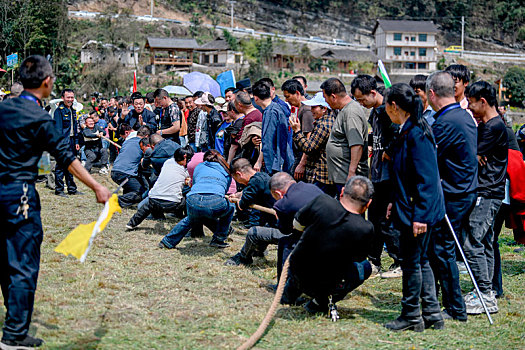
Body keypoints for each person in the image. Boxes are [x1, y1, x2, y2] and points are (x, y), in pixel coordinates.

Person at [0, 55, 111, 349]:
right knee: (23, 262)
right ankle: (13, 336)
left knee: (5, 259)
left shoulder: (3, 108)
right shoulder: (40, 118)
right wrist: (98, 186)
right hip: (19, 194)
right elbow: (68, 158)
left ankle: (15, 322)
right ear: (47, 83)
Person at [384, 83, 445, 332]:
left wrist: (420, 216)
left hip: (417, 213)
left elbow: (426, 179)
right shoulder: (408, 130)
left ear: (394, 106)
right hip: (410, 208)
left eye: (387, 107)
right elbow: (405, 176)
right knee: (422, 261)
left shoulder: (417, 134)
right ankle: (431, 313)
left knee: (412, 263)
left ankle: (411, 314)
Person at [426, 71, 478, 321]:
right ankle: (437, 300)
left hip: (454, 195)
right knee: (441, 250)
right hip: (464, 191)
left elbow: (427, 158)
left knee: (443, 251)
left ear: (432, 94)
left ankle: (455, 308)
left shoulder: (446, 123)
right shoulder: (462, 115)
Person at [281, 176, 374, 315]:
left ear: (342, 192)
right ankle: (319, 303)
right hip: (329, 284)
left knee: (304, 258)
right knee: (365, 267)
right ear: (369, 203)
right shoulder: (366, 228)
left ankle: (288, 294)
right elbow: (359, 257)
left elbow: (297, 225)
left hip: (299, 272)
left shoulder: (322, 201)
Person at [463, 81, 508, 315]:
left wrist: (475, 154)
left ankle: (485, 294)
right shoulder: (487, 126)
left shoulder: (493, 127)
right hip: (488, 190)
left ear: (483, 101)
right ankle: (486, 290)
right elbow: (475, 154)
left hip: (488, 191)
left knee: (473, 241)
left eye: (471, 102)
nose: (469, 107)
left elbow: (472, 155)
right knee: (486, 241)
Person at [351, 75, 401, 277]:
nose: (362, 104)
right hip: (378, 173)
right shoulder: (375, 113)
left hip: (390, 176)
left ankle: (399, 262)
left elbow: (399, 134)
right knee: (374, 219)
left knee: (387, 221)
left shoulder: (389, 112)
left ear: (373, 93)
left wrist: (389, 149)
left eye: (363, 100)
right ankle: (374, 260)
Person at [159, 150, 235, 249]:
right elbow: (224, 190)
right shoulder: (226, 170)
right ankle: (219, 239)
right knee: (231, 207)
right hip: (215, 200)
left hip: (192, 198)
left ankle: (167, 242)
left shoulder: (199, 166)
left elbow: (194, 184)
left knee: (192, 218)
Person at [321, 78, 369, 193]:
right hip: (341, 176)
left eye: (325, 98)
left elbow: (357, 145)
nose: (325, 101)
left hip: (347, 177)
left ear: (333, 96)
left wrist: (351, 173)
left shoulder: (351, 112)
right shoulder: (344, 110)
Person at [126, 147, 192, 229]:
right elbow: (189, 181)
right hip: (173, 204)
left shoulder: (167, 162)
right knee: (188, 199)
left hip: (154, 200)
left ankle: (131, 223)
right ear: (185, 158)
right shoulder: (186, 169)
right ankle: (187, 225)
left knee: (146, 207)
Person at [289, 92, 336, 196]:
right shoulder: (326, 121)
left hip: (321, 176)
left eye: (314, 107)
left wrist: (297, 131)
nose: (311, 110)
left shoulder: (323, 125)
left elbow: (309, 148)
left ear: (324, 109)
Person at [252, 80, 294, 175]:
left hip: (277, 163)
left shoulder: (271, 112)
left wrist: (269, 166)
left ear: (256, 98)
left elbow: (268, 142)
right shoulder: (275, 108)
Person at [227, 157, 276, 228]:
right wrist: (238, 195)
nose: (237, 181)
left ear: (239, 174)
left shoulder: (254, 182)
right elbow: (249, 190)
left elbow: (242, 205)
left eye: (235, 178)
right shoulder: (262, 176)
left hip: (276, 221)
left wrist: (237, 201)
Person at [111, 125, 151, 208]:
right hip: (125, 173)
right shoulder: (142, 144)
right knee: (140, 192)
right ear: (147, 136)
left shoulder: (127, 141)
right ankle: (115, 201)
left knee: (132, 185)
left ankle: (124, 202)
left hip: (114, 170)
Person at [282, 79, 314, 180]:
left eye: (288, 97)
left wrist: (302, 164)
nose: (286, 100)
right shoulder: (299, 109)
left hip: (302, 156)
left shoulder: (306, 111)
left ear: (297, 93)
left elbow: (309, 138)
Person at [53, 88, 81, 197]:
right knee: (60, 166)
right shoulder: (59, 111)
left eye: (72, 97)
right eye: (68, 97)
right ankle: (59, 189)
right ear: (62, 98)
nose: (70, 99)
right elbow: (58, 130)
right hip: (63, 142)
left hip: (72, 141)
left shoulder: (73, 110)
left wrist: (77, 142)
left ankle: (72, 189)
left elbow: (75, 128)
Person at [229, 91, 261, 163]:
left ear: (239, 105)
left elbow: (240, 141)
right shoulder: (257, 112)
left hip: (252, 157)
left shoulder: (249, 118)